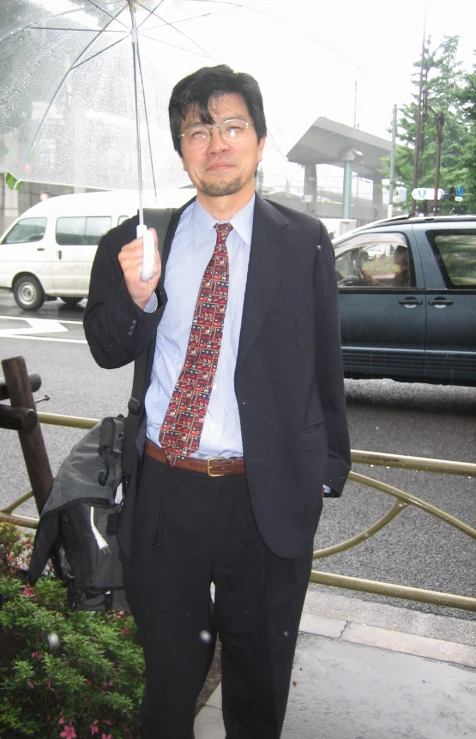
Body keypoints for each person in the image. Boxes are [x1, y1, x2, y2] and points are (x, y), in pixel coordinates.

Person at [84, 65, 350, 739]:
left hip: (262, 498)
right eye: (198, 129)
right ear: (181, 149)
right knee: (168, 684)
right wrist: (135, 298)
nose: (217, 142)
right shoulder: (139, 241)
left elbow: (325, 359)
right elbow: (106, 347)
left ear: (259, 141)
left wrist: (328, 467)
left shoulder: (304, 241)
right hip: (166, 493)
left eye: (233, 126)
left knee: (258, 689)